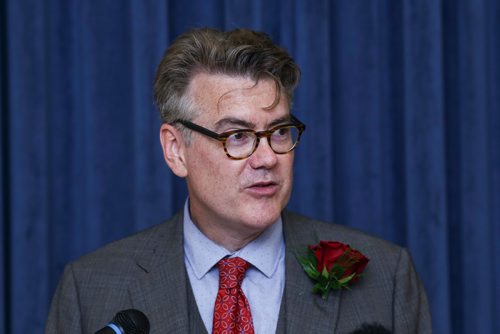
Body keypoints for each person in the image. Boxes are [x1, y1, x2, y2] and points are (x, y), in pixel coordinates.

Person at [45, 28, 432, 334]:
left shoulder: (387, 278)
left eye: (280, 132)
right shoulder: (90, 290)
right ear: (176, 150)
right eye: (237, 136)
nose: (267, 159)